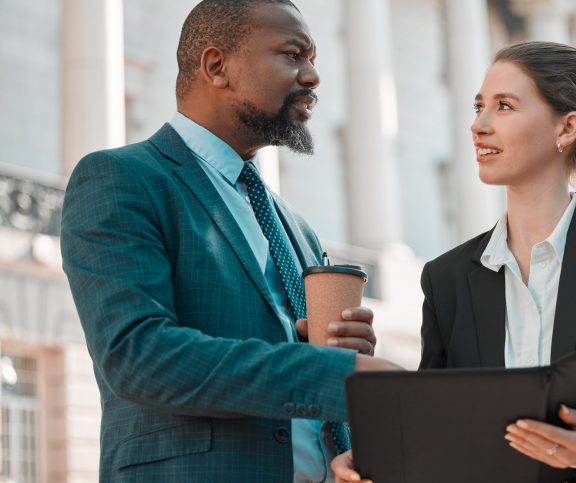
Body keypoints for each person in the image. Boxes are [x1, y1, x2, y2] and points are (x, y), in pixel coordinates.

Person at [332, 41, 576, 483]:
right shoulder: (446, 279)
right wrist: (377, 460)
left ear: (567, 127)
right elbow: (438, 430)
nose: (479, 125)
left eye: (504, 106)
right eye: (478, 106)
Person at [61, 1, 400, 482]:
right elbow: (138, 355)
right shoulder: (122, 178)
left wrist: (339, 363)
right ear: (217, 67)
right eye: (293, 54)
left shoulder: (294, 226)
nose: (312, 77)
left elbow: (296, 377)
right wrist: (334, 376)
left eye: (314, 59)